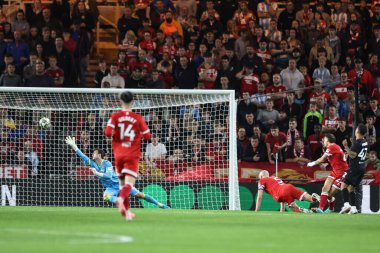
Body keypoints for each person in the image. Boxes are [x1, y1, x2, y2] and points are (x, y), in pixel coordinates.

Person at [64, 136, 168, 209]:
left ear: (99, 155)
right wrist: (75, 147)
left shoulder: (107, 163)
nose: (92, 154)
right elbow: (83, 156)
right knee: (106, 196)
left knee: (140, 195)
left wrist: (97, 173)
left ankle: (160, 205)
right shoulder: (93, 164)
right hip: (111, 188)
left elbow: (108, 176)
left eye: (94, 153)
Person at [104, 91, 153, 221]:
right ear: (133, 102)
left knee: (122, 186)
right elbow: (148, 136)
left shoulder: (115, 116)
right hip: (132, 155)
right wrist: (137, 134)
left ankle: (127, 213)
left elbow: (108, 133)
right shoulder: (138, 118)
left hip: (118, 154)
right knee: (129, 185)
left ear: (120, 101)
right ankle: (120, 200)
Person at [307, 133, 349, 213]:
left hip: (342, 173)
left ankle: (330, 208)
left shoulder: (332, 146)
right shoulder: (334, 147)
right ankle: (321, 208)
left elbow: (322, 159)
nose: (323, 141)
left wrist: (312, 163)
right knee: (324, 188)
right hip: (335, 172)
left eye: (324, 139)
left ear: (328, 140)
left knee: (329, 194)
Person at [339, 124, 368, 214]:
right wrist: (352, 146)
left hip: (354, 168)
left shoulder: (357, 143)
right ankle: (354, 207)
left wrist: (346, 147)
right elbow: (358, 152)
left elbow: (353, 155)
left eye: (356, 129)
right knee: (351, 187)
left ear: (358, 131)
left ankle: (346, 205)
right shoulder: (364, 141)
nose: (355, 130)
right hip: (361, 168)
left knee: (343, 185)